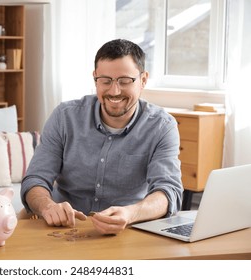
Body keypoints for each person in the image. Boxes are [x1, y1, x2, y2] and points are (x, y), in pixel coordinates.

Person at [20, 39, 183, 235]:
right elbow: (35, 179)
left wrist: (131, 213)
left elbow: (168, 192)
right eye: (105, 81)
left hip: (127, 231)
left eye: (124, 81)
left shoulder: (162, 126)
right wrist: (47, 206)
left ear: (143, 80)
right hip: (63, 230)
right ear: (95, 78)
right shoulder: (65, 117)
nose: (114, 91)